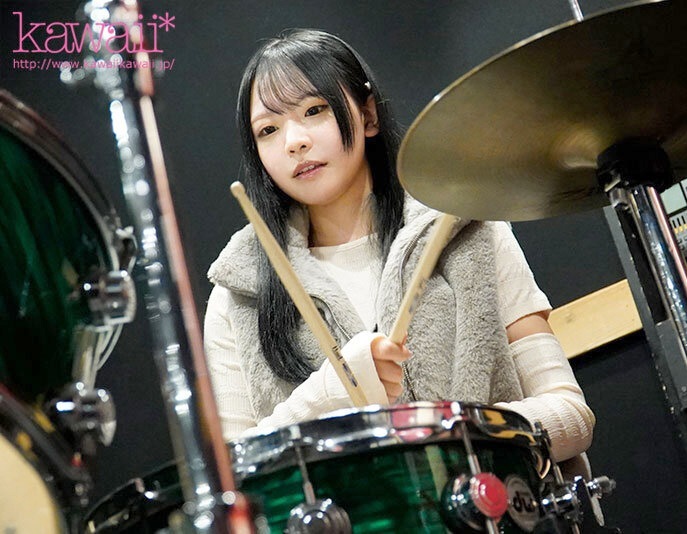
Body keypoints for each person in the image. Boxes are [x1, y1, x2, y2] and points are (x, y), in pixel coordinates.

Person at [203, 28, 594, 463]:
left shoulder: (466, 227)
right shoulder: (237, 295)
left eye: (314, 110)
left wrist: (455, 437)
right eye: (268, 130)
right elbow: (235, 469)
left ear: (367, 115)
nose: (294, 141)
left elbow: (571, 415)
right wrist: (333, 390)